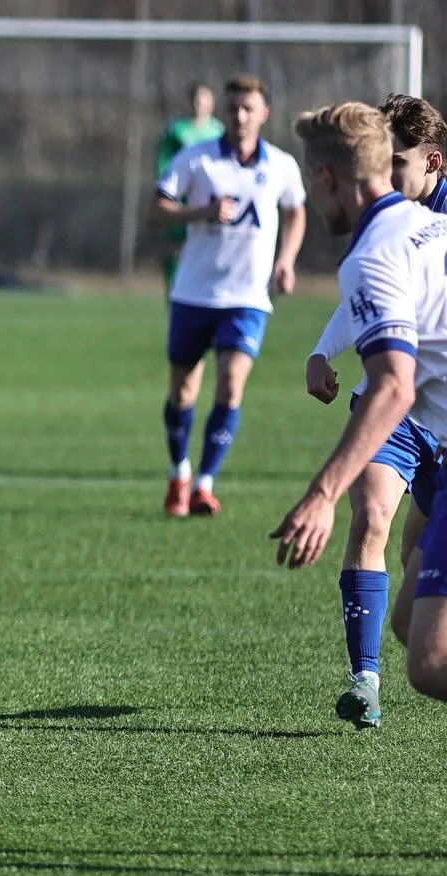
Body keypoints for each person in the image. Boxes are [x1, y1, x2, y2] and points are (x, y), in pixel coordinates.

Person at [271, 100, 447, 718]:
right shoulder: (423, 226)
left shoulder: (374, 252)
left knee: (428, 662)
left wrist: (321, 492)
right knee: (407, 626)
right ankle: (364, 679)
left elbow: (394, 387)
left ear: (325, 179)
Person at [151, 74, 307, 517]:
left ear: (264, 113)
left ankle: (204, 483)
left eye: (248, 107)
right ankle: (179, 472)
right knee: (183, 391)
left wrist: (287, 259)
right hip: (194, 292)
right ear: (223, 112)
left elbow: (296, 211)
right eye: (233, 107)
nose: (240, 115)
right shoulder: (196, 159)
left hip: (247, 297)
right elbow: (155, 209)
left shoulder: (280, 165)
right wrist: (200, 211)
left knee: (230, 384)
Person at [156, 83, 226, 290]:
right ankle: (176, 294)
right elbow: (163, 164)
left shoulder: (219, 131)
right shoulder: (178, 130)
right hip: (183, 203)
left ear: (211, 103)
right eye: (196, 100)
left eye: (204, 99)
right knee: (178, 252)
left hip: (211, 205)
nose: (200, 104)